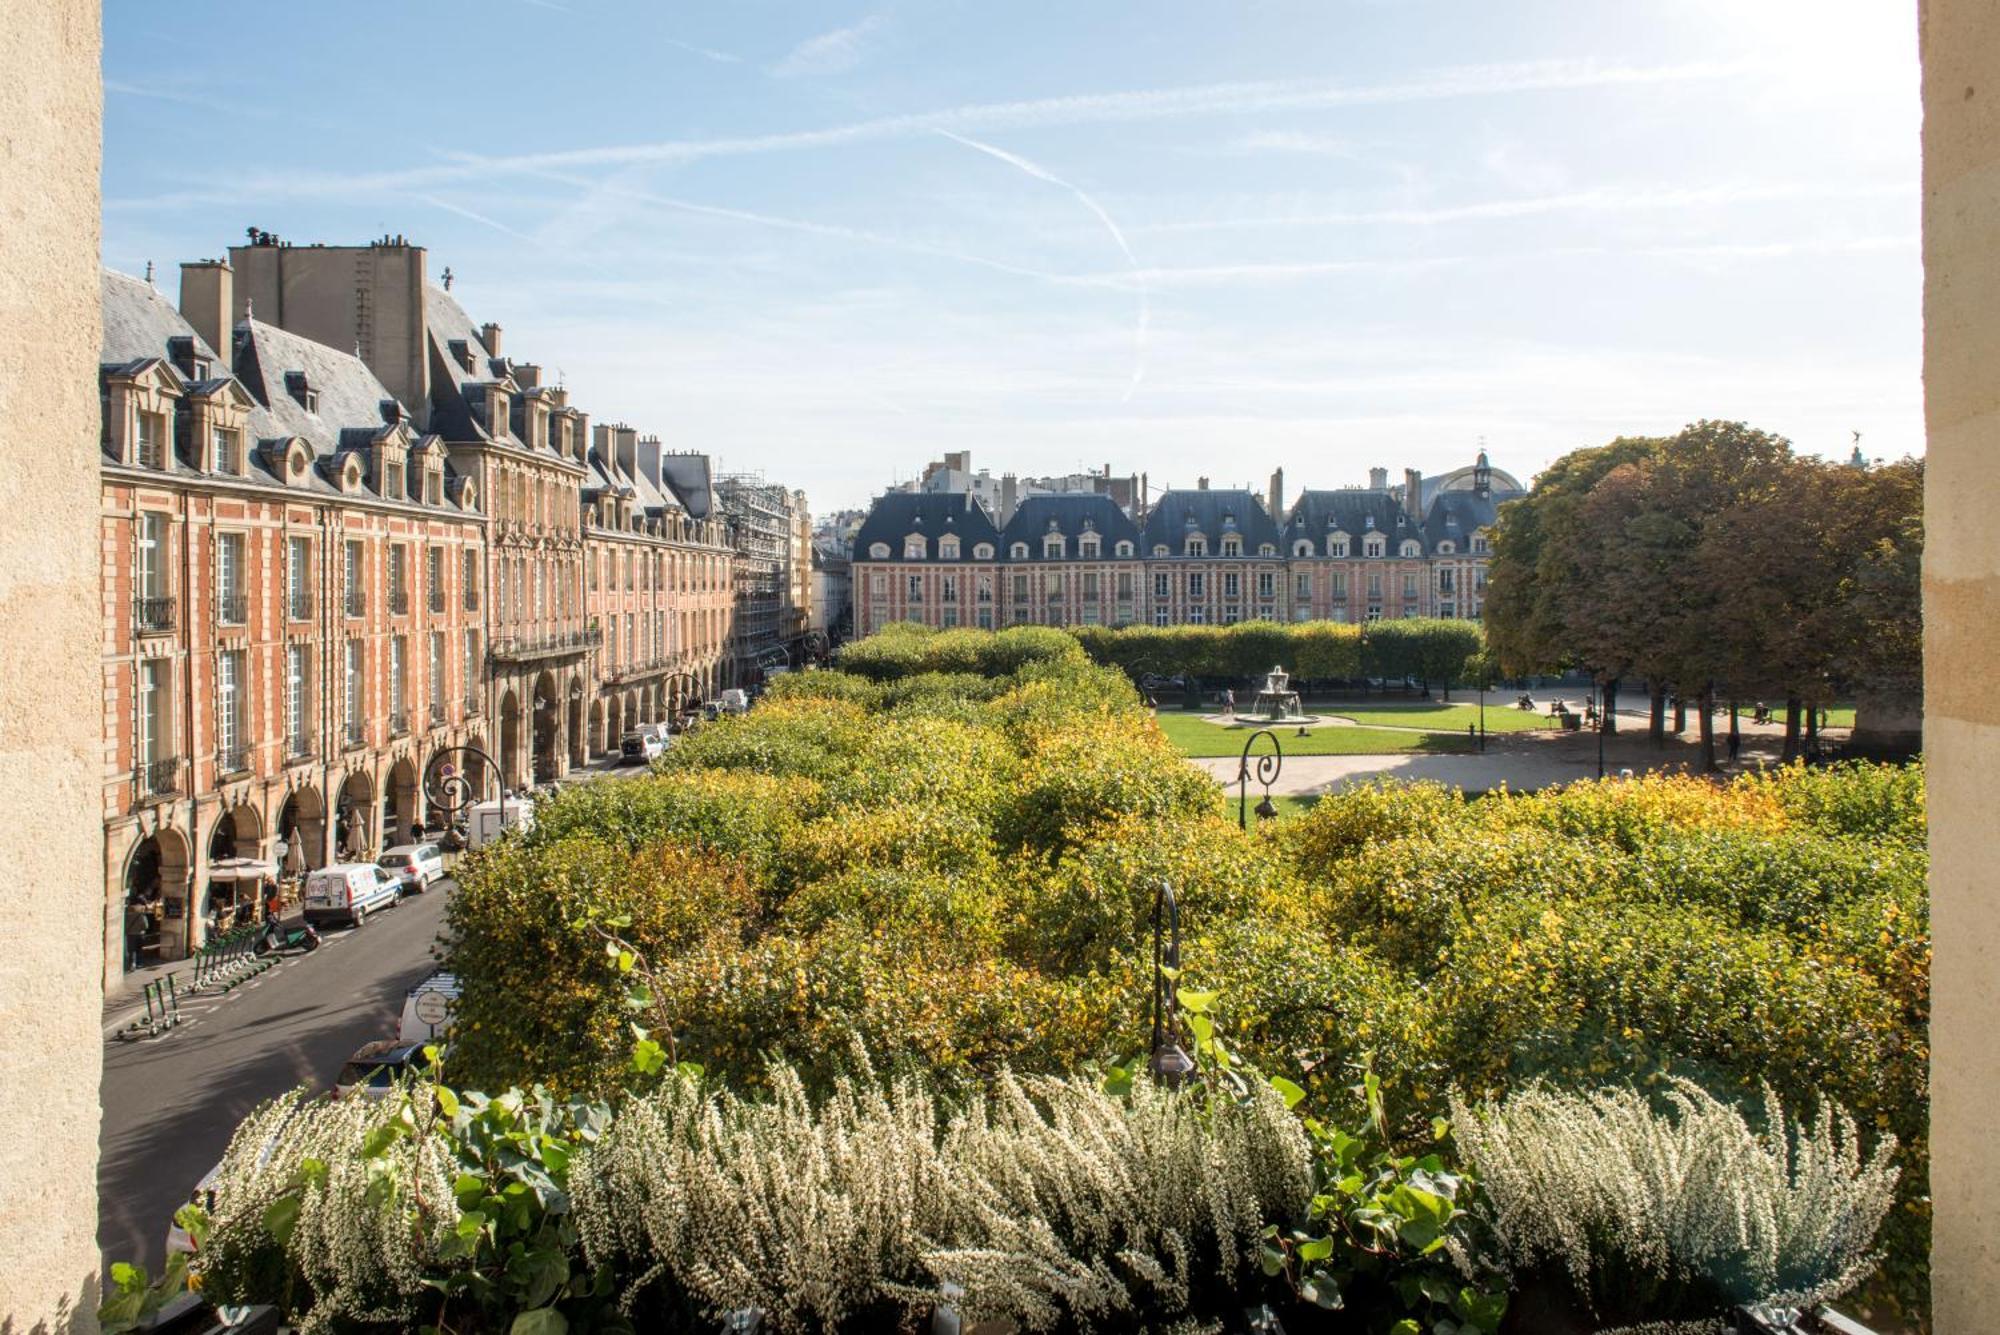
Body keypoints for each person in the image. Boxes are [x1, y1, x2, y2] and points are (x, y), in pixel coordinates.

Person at [123, 899, 149, 972]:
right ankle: (139, 963)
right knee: (139, 949)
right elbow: (146, 926)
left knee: (132, 950)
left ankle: (132, 964)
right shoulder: (141, 915)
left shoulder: (127, 915)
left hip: (130, 934)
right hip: (140, 934)